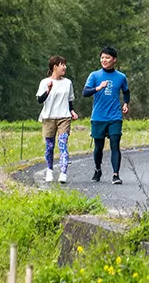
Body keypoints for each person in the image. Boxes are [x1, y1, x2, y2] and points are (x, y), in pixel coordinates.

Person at [83, 46, 130, 184]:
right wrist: (98, 88)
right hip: (98, 117)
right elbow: (85, 92)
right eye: (102, 57)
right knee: (98, 147)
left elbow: (126, 91)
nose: (104, 60)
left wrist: (126, 103)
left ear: (114, 60)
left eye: (107, 58)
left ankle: (116, 175)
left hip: (115, 116)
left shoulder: (121, 77)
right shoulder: (94, 75)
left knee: (115, 145)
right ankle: (98, 170)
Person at [36, 56, 78, 184]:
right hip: (48, 117)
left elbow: (69, 99)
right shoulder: (45, 82)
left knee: (62, 144)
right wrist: (48, 90)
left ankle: (63, 172)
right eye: (62, 65)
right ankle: (49, 170)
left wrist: (72, 111)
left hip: (64, 117)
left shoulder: (68, 83)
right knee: (49, 147)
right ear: (55, 67)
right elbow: (39, 100)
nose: (65, 67)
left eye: (65, 65)